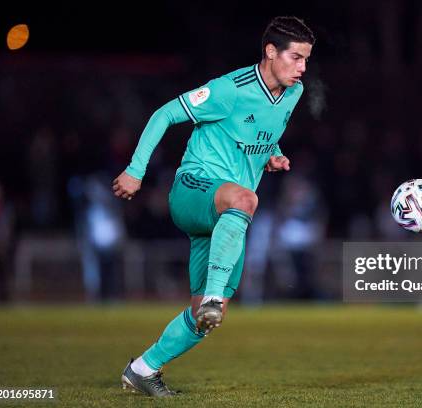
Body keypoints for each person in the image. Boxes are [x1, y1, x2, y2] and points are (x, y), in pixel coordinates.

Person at [114, 16, 314, 397]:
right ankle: (209, 297)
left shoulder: (293, 93)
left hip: (226, 220)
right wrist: (134, 171)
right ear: (270, 52)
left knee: (208, 315)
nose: (303, 67)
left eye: (307, 59)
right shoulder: (229, 89)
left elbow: (260, 131)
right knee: (245, 198)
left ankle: (143, 369)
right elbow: (165, 114)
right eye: (296, 57)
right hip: (193, 190)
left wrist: (273, 154)